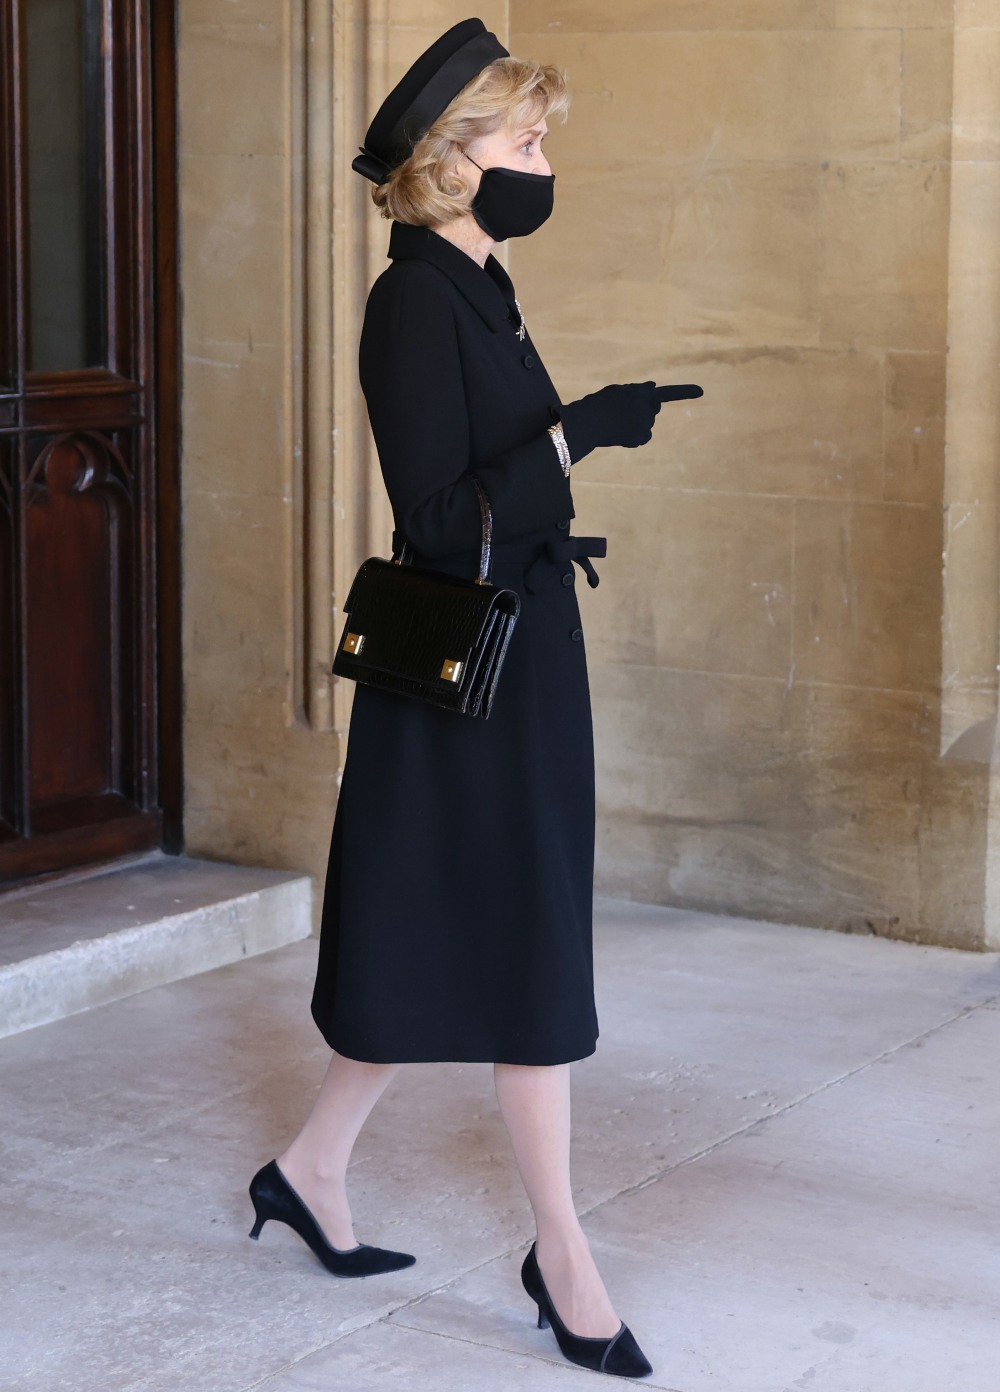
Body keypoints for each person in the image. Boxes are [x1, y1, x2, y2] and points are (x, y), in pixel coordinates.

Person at [248, 17, 699, 1380]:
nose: (544, 157)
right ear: (453, 164)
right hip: (472, 682)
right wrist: (578, 432)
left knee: (457, 932)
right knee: (527, 952)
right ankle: (563, 1256)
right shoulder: (412, 301)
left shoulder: (481, 283)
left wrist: (570, 439)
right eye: (527, 138)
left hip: (523, 665)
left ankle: (309, 1167)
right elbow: (440, 517)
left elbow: (497, 496)